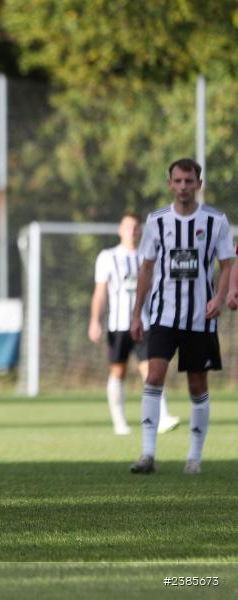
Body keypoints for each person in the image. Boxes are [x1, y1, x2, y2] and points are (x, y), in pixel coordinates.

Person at [129, 158, 234, 475]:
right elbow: (146, 269)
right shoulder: (156, 221)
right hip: (163, 314)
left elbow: (227, 263)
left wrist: (219, 297)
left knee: (197, 386)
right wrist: (137, 314)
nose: (184, 187)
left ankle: (194, 458)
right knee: (154, 377)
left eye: (189, 181)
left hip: (201, 317)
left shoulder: (216, 221)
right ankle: (147, 454)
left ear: (198, 184)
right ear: (169, 184)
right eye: (178, 181)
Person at [88, 213, 179, 435]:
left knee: (151, 370)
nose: (132, 231)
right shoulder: (108, 256)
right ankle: (119, 422)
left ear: (140, 231)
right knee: (117, 372)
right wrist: (95, 321)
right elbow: (100, 292)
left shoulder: (147, 257)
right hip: (118, 325)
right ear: (120, 230)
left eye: (135, 228)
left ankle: (162, 417)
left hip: (144, 324)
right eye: (128, 227)